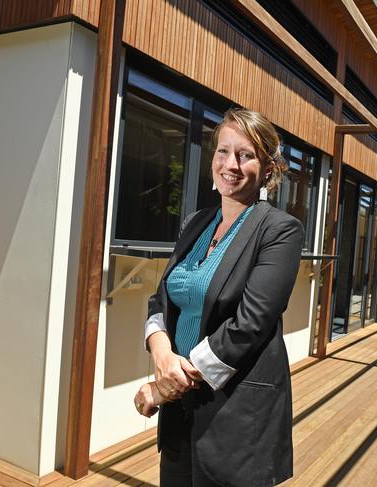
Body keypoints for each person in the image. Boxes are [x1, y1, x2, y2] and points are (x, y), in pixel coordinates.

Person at [133, 108, 304, 486]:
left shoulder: (280, 230)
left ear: (268, 169)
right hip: (180, 413)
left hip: (234, 414)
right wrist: (160, 351)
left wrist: (164, 387)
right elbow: (162, 300)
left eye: (245, 155)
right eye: (223, 152)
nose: (231, 164)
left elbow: (249, 326)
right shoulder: (195, 222)